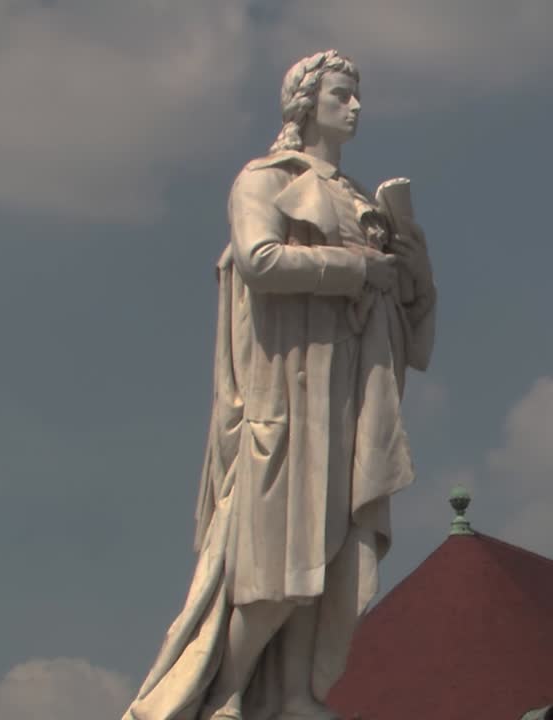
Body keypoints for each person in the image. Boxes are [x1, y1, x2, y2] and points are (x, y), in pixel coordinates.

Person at [123, 50, 436, 720]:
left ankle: (295, 696)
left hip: (346, 395)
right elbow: (259, 260)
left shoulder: (357, 199)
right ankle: (222, 694)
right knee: (274, 567)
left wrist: (409, 264)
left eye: (357, 96)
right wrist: (355, 270)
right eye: (340, 95)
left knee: (323, 563)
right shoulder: (264, 180)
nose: (354, 107)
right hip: (287, 397)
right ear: (303, 103)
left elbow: (407, 314)